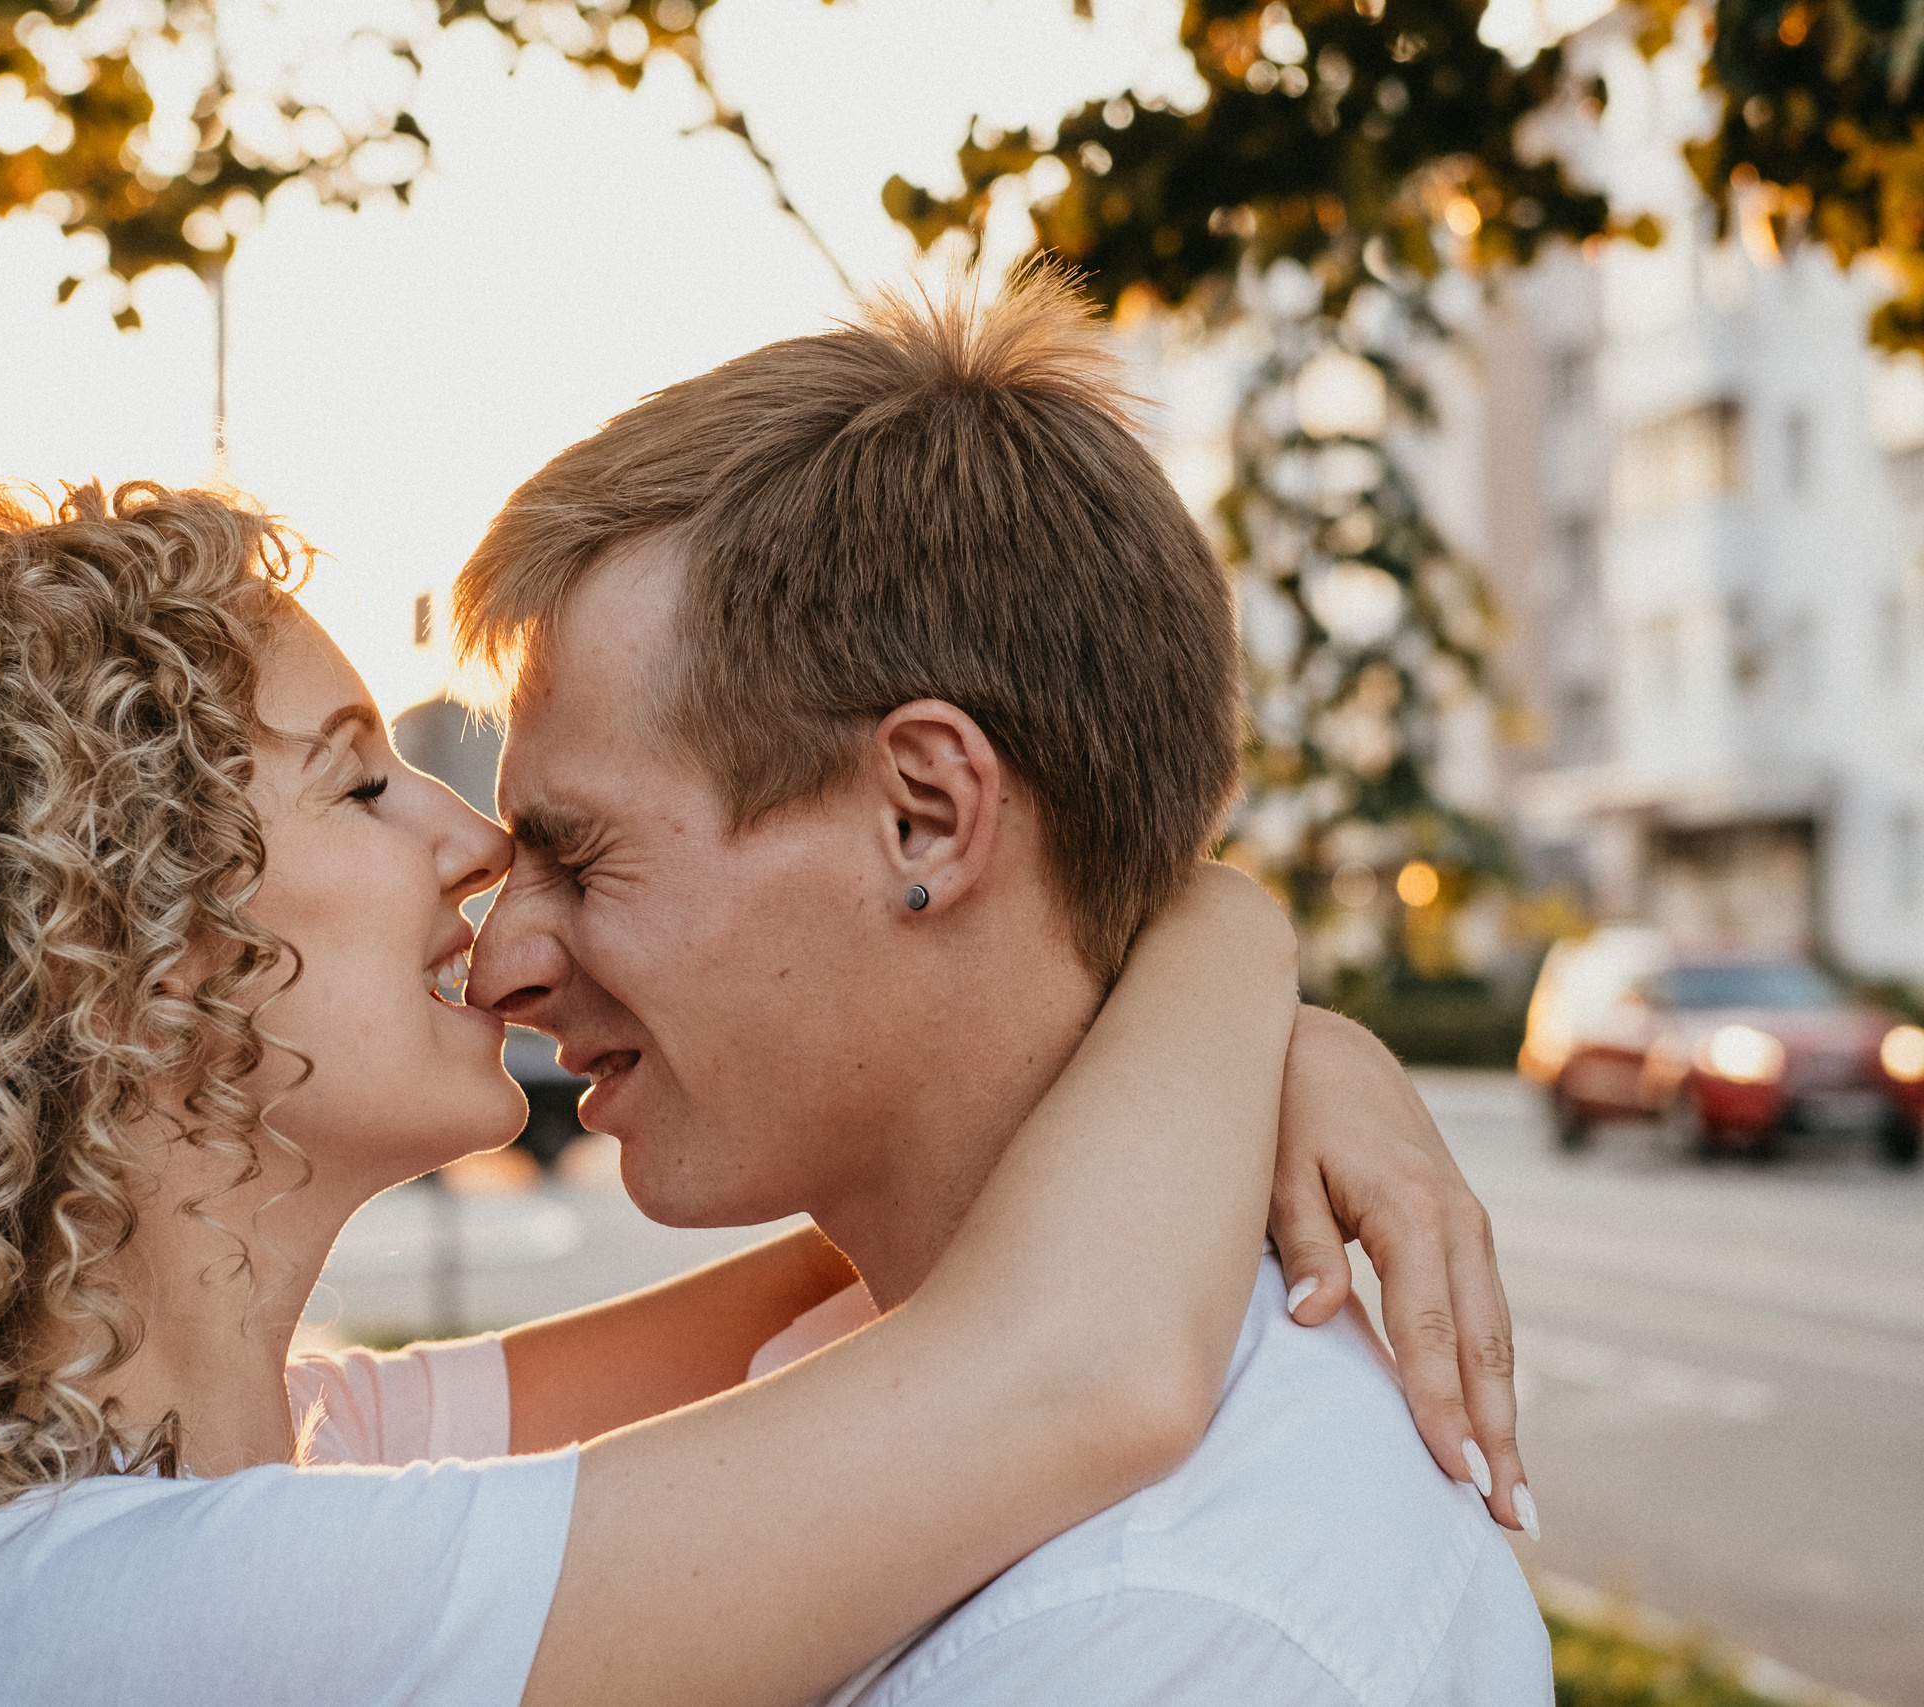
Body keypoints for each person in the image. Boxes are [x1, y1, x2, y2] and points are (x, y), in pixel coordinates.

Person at [0, 480, 1520, 1707]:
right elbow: (1055, 1364)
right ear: (97, 947)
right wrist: (1224, 934)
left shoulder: (242, 1468)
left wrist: (1238, 1036)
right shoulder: (109, 1627)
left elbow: (884, 1253)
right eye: (355, 777)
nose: (472, 837)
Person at [451, 272, 1548, 1705]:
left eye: (578, 856)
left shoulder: (1166, 1627)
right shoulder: (889, 1368)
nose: (500, 965)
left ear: (924, 815)